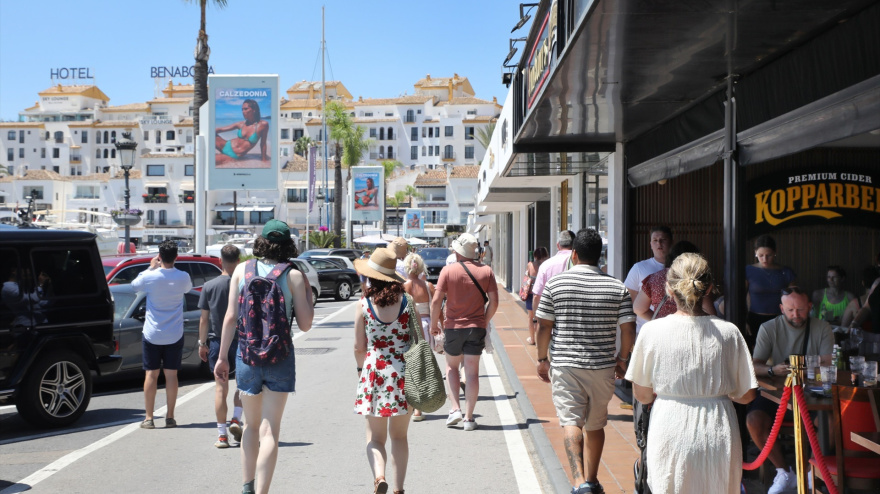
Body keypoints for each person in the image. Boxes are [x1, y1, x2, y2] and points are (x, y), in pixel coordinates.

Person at [626, 253, 758, 494]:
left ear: (669, 288)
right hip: (718, 427)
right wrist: (717, 391)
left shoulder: (651, 331)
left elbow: (642, 395)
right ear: (708, 289)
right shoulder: (729, 332)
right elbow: (747, 395)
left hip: (670, 424)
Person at [214, 220, 314, 494]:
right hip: (280, 357)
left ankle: (247, 487)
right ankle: (262, 491)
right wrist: (307, 295)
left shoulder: (241, 271)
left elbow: (231, 317)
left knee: (250, 426)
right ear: (288, 244)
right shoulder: (293, 275)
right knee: (270, 430)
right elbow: (305, 325)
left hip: (247, 356)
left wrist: (222, 357)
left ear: (261, 242)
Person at [534, 228, 636, 494]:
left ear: (574, 254)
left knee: (571, 421)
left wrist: (542, 359)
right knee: (596, 423)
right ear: (599, 256)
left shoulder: (556, 284)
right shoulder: (617, 287)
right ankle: (592, 479)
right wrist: (622, 359)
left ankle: (579, 482)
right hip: (602, 366)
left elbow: (543, 326)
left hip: (565, 364)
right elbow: (628, 329)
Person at [746, 286, 833, 494]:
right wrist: (772, 369)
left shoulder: (822, 327)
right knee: (754, 421)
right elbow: (754, 365)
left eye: (800, 309)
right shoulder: (769, 327)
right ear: (781, 308)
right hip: (777, 393)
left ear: (810, 307)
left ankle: (812, 471)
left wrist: (801, 366)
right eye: (790, 310)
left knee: (829, 422)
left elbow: (829, 362)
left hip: (810, 393)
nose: (796, 314)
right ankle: (784, 472)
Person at [353, 248, 415, 494]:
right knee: (399, 436)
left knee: (375, 438)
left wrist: (361, 370)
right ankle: (399, 489)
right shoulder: (407, 302)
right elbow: (418, 339)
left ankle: (379, 477)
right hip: (404, 374)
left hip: (374, 373)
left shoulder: (363, 304)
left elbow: (359, 347)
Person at [430, 233, 498, 431]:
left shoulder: (448, 271)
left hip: (453, 327)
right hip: (476, 327)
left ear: (458, 251)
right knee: (472, 372)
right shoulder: (486, 271)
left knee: (452, 367)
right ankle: (469, 418)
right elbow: (494, 302)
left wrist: (434, 325)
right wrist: (484, 321)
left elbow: (436, 301)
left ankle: (455, 409)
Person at [131, 240, 193, 429]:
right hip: (174, 332)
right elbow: (188, 289)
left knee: (151, 374)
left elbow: (134, 286)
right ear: (176, 257)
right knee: (171, 375)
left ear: (159, 256)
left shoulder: (150, 277)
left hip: (152, 333)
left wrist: (150, 268)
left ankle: (149, 418)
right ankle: (170, 417)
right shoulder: (183, 277)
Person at [198, 244, 244, 448]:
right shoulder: (244, 284)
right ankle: (236, 418)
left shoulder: (209, 286)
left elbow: (203, 319)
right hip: (241, 341)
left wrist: (202, 344)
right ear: (239, 261)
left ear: (220, 261)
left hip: (217, 343)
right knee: (243, 386)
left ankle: (222, 436)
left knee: (220, 389)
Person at [633, 240, 716, 321]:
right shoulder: (697, 278)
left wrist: (658, 321)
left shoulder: (655, 278)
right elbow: (710, 313)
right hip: (695, 326)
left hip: (663, 328)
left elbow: (638, 309)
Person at [745, 234, 796, 350]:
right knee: (757, 353)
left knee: (780, 352)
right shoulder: (748, 271)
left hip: (780, 319)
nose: (765, 259)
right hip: (755, 319)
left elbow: (794, 299)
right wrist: (744, 320)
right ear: (755, 252)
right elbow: (740, 297)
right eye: (761, 255)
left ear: (775, 252)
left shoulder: (786, 272)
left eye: (769, 255)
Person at [402, 252, 435, 422]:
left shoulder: (404, 286)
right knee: (422, 365)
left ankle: (412, 405)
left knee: (410, 366)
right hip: (426, 327)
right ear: (421, 268)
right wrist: (438, 325)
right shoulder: (428, 286)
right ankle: (419, 408)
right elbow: (435, 307)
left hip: (410, 327)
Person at [623, 226, 672, 334]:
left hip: (675, 328)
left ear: (671, 242)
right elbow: (629, 301)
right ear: (650, 244)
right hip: (646, 330)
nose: (659, 244)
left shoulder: (681, 268)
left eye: (663, 240)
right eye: (655, 240)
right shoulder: (639, 268)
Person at [531, 230, 576, 315]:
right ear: (575, 245)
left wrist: (536, 319)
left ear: (558, 245)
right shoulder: (580, 263)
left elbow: (537, 296)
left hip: (552, 316)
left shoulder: (546, 265)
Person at [215, 99, 269, 165]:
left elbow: (263, 144)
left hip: (233, 155)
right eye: (242, 109)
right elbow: (220, 129)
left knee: (211, 161)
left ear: (254, 110)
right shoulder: (241, 124)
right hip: (225, 144)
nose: (243, 112)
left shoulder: (263, 125)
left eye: (246, 109)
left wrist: (264, 160)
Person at [525, 247, 550, 345]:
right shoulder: (547, 265)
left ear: (535, 255)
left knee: (531, 317)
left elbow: (526, 277)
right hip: (544, 294)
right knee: (543, 318)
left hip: (531, 294)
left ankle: (532, 338)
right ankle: (542, 339)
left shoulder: (530, 265)